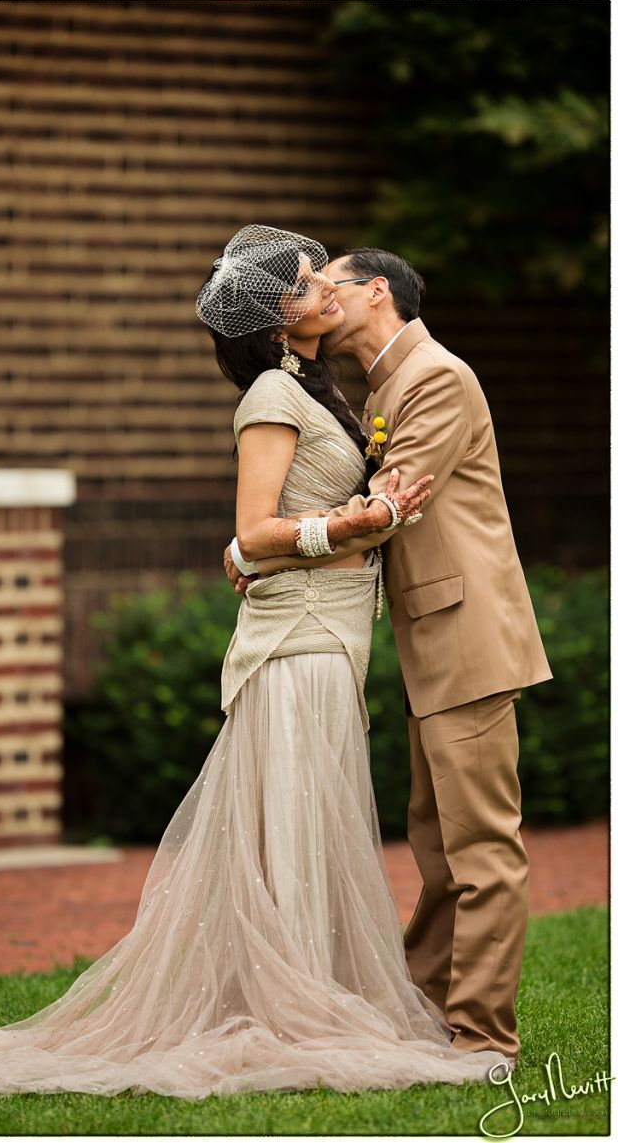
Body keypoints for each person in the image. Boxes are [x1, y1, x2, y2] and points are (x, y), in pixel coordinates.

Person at [0, 227, 508, 1099]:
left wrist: (274, 544)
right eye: (303, 282)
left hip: (332, 637)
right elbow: (261, 525)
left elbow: (260, 535)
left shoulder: (318, 387)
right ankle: (294, 1011)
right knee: (292, 825)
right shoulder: (270, 391)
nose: (321, 284)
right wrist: (331, 529)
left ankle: (313, 994)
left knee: (315, 825)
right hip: (295, 643)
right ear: (273, 317)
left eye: (321, 275)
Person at [226, 246, 553, 1069]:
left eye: (328, 283)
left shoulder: (436, 375)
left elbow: (389, 505)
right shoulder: (374, 388)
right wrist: (257, 543)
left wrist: (257, 549)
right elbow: (347, 507)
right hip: (424, 638)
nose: (318, 299)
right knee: (438, 848)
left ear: (376, 293)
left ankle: (483, 1039)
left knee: (479, 849)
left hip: (467, 634)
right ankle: (428, 1007)